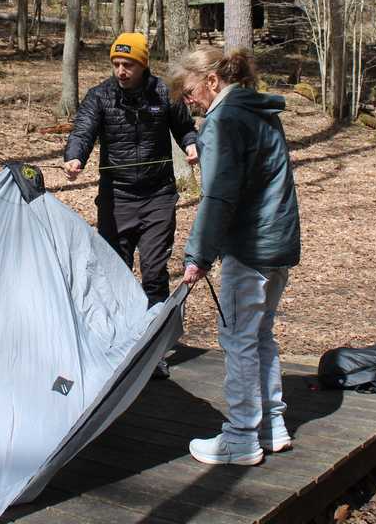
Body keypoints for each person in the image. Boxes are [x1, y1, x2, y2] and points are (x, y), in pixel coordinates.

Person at [171, 46, 300, 466]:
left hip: (252, 246)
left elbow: (219, 197)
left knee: (239, 339)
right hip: (278, 243)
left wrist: (198, 254)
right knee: (259, 335)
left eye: (189, 91)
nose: (188, 102)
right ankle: (272, 426)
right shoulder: (261, 112)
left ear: (212, 81)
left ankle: (242, 436)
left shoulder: (225, 120)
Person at [63, 32, 199, 377]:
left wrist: (192, 145)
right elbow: (83, 131)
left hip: (157, 198)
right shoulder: (100, 96)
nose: (121, 71)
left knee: (154, 272)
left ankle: (155, 352)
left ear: (143, 65)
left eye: (129, 65)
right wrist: (74, 158)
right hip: (116, 200)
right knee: (116, 275)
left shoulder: (162, 93)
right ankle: (121, 343)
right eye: (117, 64)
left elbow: (185, 127)